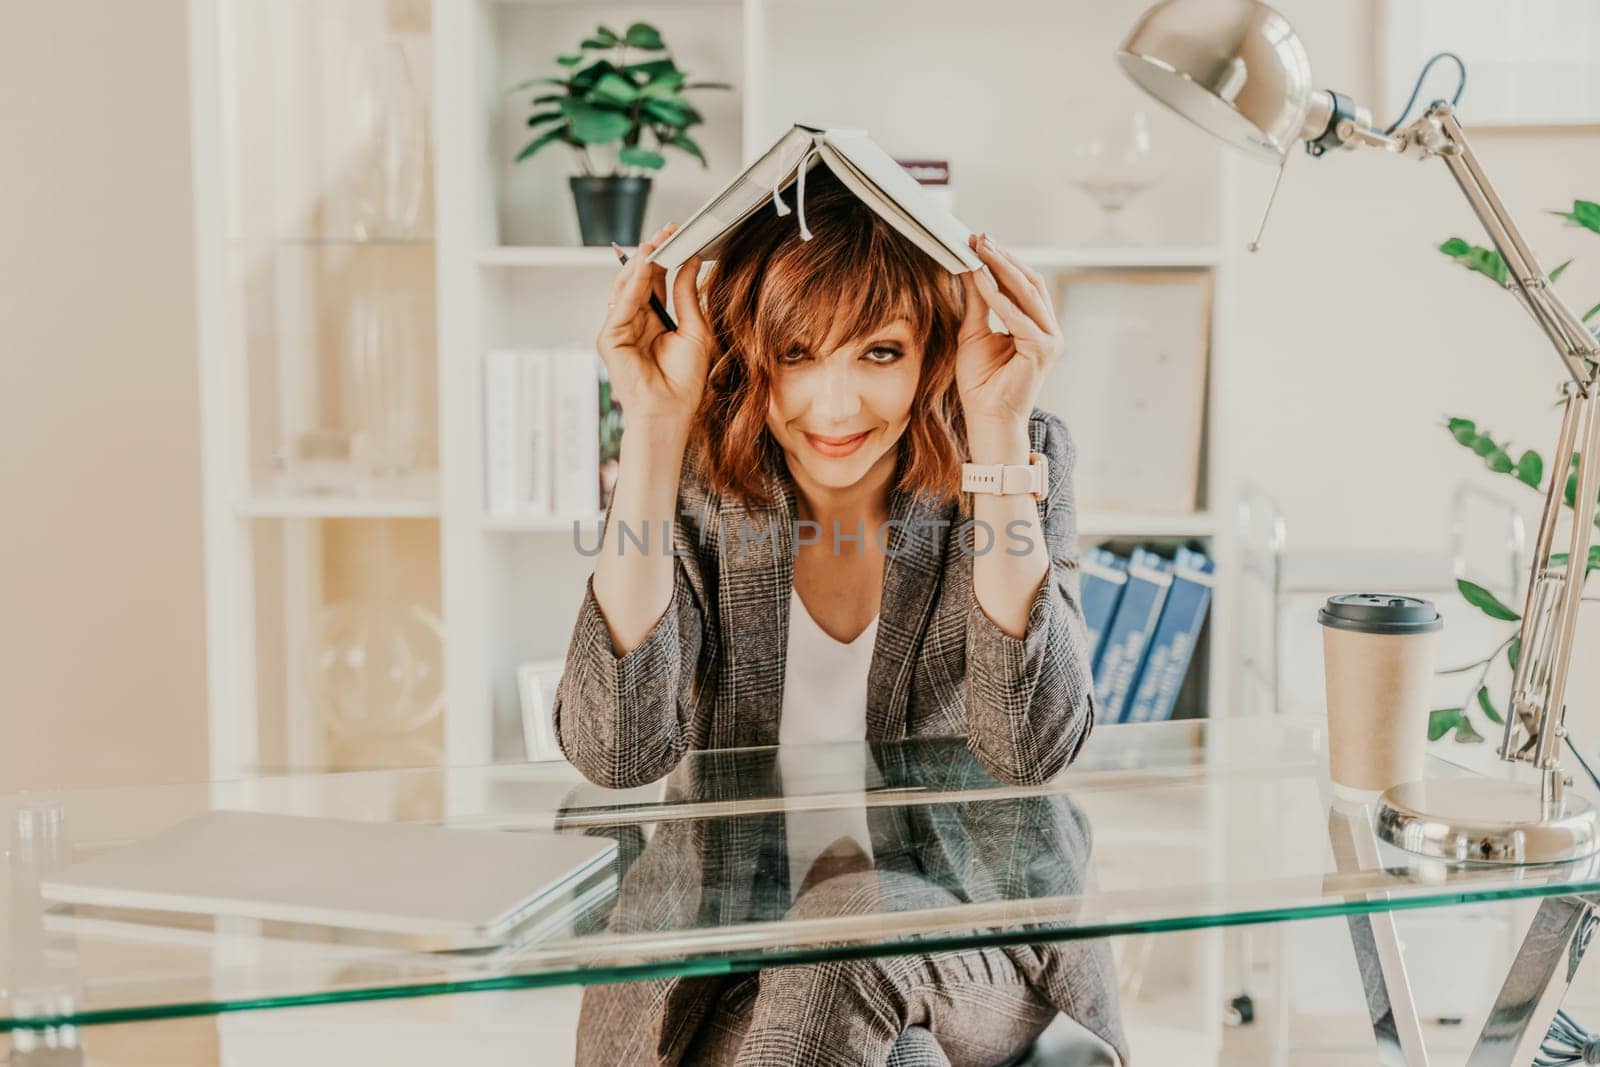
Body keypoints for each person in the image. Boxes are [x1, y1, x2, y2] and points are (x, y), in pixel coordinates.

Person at [552, 166, 1122, 1066]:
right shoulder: (697, 480)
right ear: (748, 352)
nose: (837, 403)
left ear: (932, 347)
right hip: (724, 955)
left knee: (847, 923)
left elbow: (1032, 744)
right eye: (798, 353)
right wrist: (654, 430)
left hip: (972, 942)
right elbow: (616, 747)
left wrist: (997, 428)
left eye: (880, 352)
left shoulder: (1017, 451)